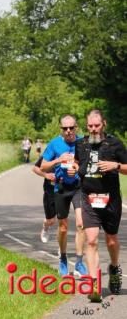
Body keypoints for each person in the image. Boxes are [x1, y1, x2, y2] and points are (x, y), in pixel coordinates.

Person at [68, 109, 126, 301]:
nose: (93, 129)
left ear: (104, 124)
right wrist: (74, 168)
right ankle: (94, 284)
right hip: (88, 197)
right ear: (87, 126)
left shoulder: (114, 143)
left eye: (97, 125)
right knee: (91, 240)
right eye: (90, 126)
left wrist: (116, 166)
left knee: (111, 240)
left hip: (110, 199)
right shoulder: (81, 143)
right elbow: (77, 163)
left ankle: (115, 268)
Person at [40, 115, 87, 277]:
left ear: (76, 128)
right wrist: (58, 160)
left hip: (78, 187)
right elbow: (43, 166)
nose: (68, 131)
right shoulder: (54, 144)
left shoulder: (83, 143)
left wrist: (77, 167)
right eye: (65, 128)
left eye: (71, 128)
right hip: (61, 188)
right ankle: (64, 259)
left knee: (81, 224)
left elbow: (89, 164)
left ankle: (79, 263)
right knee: (63, 227)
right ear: (61, 129)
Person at [32, 157, 57, 243]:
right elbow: (35, 168)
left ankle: (62, 251)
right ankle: (45, 229)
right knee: (51, 220)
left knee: (63, 221)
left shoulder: (70, 152)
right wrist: (46, 175)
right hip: (50, 190)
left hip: (64, 190)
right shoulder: (49, 153)